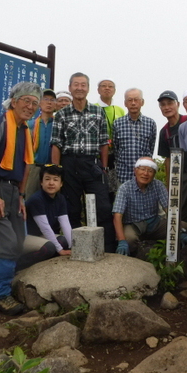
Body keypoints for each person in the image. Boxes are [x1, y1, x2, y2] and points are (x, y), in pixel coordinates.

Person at [0, 81, 42, 315]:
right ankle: (1, 294)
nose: (31, 106)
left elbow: (27, 166)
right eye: (26, 101)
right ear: (14, 102)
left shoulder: (26, 130)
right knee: (7, 245)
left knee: (19, 241)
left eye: (35, 103)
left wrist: (21, 196)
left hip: (14, 192)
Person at [50, 72, 116, 252]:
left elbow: (104, 142)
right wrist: (56, 170)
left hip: (92, 163)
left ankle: (107, 249)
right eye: (76, 84)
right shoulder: (62, 114)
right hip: (69, 163)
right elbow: (56, 144)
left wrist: (103, 167)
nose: (79, 88)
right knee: (72, 208)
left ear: (88, 88)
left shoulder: (98, 111)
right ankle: (77, 248)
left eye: (83, 85)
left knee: (102, 206)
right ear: (70, 88)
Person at [16, 164, 72, 271]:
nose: (51, 183)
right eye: (47, 179)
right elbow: (45, 227)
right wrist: (60, 250)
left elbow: (65, 224)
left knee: (64, 241)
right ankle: (17, 267)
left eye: (55, 180)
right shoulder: (37, 199)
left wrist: (72, 247)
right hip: (25, 236)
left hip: (40, 236)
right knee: (50, 248)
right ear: (41, 182)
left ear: (61, 184)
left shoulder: (60, 198)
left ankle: (46, 266)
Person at [157, 90, 187, 229]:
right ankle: (186, 241)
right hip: (180, 176)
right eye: (163, 105)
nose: (167, 107)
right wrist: (169, 184)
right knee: (183, 209)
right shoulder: (164, 131)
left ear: (178, 104)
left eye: (170, 103)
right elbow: (167, 159)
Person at [113, 88, 157, 184]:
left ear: (142, 102)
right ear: (125, 103)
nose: (133, 103)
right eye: (130, 100)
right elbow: (116, 150)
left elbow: (151, 148)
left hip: (144, 175)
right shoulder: (117, 123)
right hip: (123, 174)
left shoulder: (150, 123)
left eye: (136, 100)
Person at [95, 79, 126, 199]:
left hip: (115, 156)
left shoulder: (120, 110)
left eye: (110, 86)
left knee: (113, 190)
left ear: (114, 90)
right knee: (100, 189)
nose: (107, 88)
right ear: (98, 90)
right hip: (98, 155)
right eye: (104, 86)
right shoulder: (93, 108)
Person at [25, 88, 56, 199]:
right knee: (30, 199)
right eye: (45, 99)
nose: (49, 102)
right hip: (34, 168)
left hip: (52, 169)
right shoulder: (30, 124)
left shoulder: (59, 124)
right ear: (39, 103)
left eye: (52, 100)